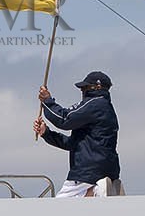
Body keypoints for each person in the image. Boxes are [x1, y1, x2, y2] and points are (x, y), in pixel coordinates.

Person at [36, 70, 123, 198]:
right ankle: (97, 190)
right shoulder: (107, 109)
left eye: (85, 88)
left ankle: (96, 191)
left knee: (57, 206)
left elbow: (64, 119)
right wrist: (46, 133)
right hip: (108, 168)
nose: (82, 91)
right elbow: (72, 144)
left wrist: (47, 101)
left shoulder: (95, 104)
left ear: (97, 87)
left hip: (88, 171)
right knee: (79, 207)